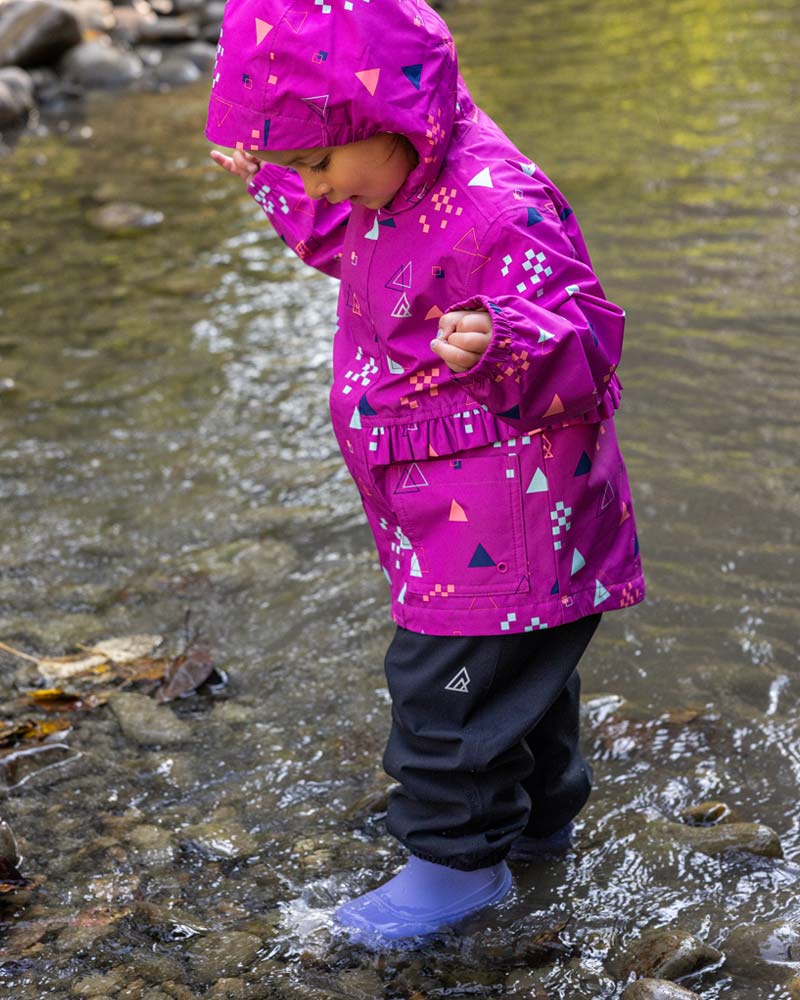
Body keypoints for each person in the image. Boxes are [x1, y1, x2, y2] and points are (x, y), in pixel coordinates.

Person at [206, 0, 645, 946]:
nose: (317, 184)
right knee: (518, 680)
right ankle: (536, 828)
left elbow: (587, 340)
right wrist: (278, 176)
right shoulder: (393, 184)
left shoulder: (497, 205)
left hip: (507, 514)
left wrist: (505, 340)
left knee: (444, 686)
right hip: (461, 500)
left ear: (385, 118)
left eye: (317, 161)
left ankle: (456, 868)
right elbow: (343, 233)